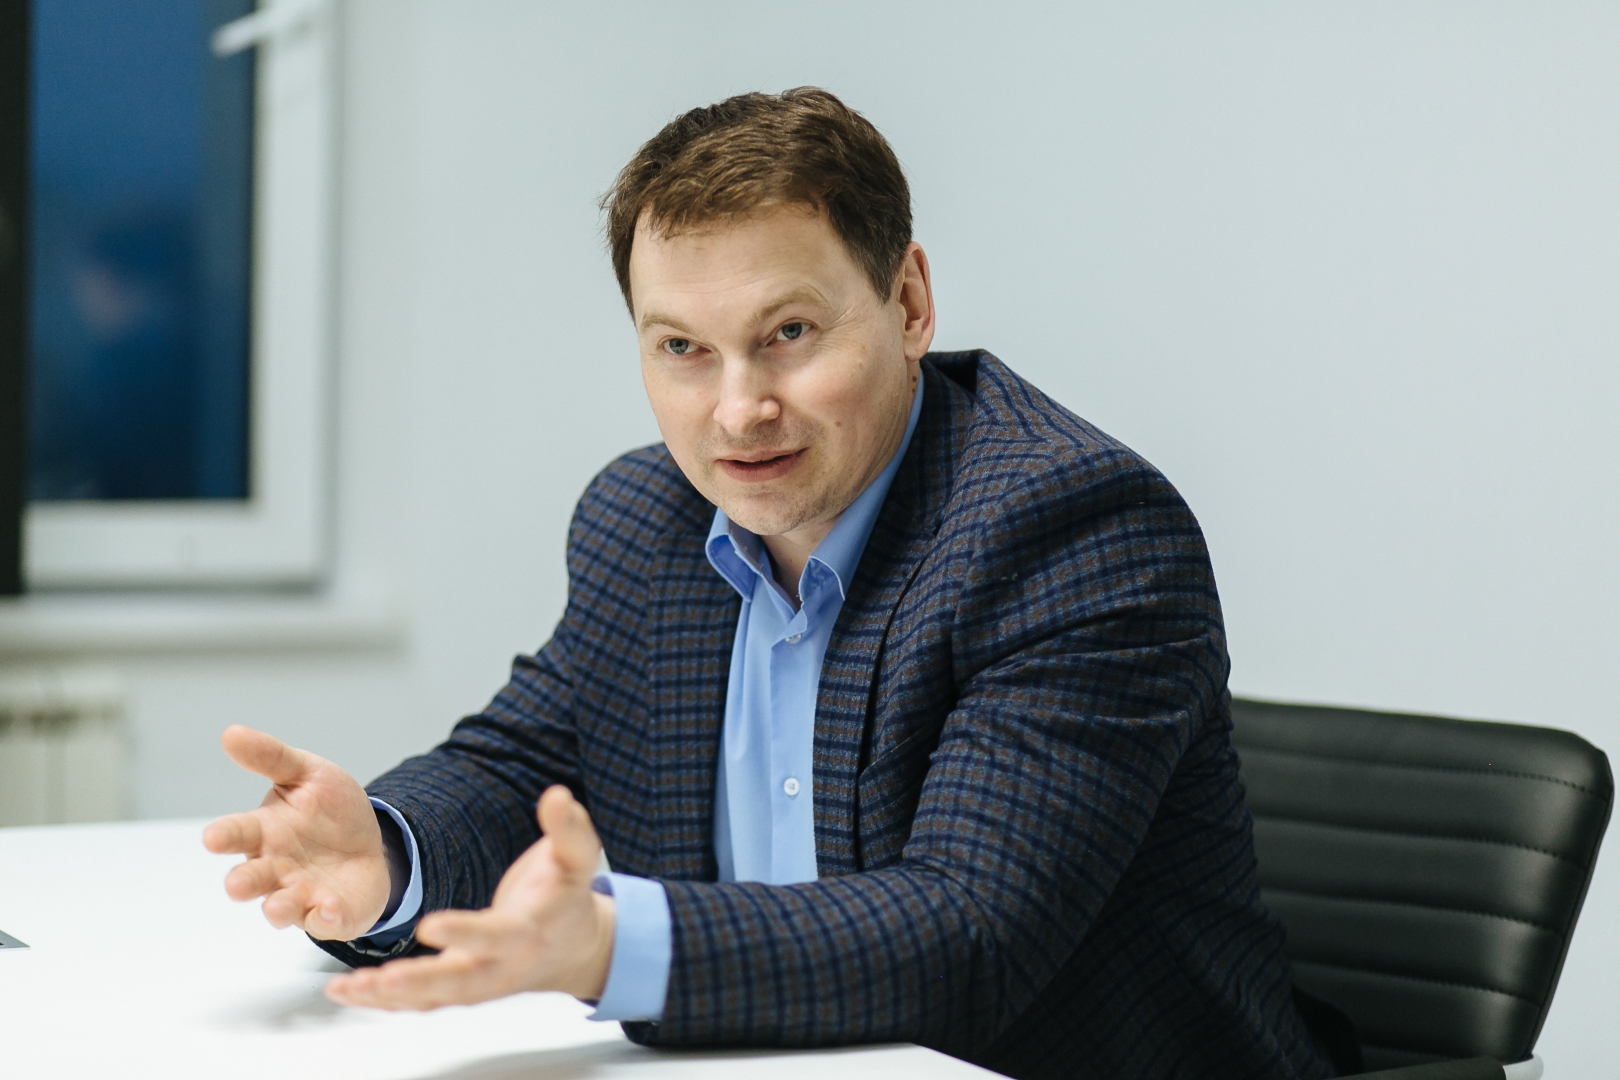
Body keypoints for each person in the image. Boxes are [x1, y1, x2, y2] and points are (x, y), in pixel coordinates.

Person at [202, 88, 1335, 1080]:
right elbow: (520, 767)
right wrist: (388, 855)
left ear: (908, 304)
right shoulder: (643, 520)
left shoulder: (1069, 529)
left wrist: (612, 949)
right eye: (681, 349)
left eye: (787, 332)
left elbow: (969, 933)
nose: (738, 410)